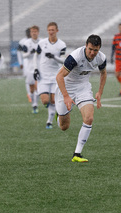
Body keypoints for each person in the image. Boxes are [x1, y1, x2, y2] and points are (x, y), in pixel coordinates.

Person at [55, 34, 107, 162]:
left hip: (83, 88)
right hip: (66, 87)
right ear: (86, 46)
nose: (92, 52)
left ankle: (77, 154)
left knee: (89, 118)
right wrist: (66, 96)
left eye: (95, 50)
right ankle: (59, 114)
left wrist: (99, 92)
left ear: (99, 49)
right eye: (90, 49)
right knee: (64, 126)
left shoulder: (101, 58)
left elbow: (103, 73)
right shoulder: (75, 57)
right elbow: (59, 77)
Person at [34, 22, 66, 129]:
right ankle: (53, 111)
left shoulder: (61, 45)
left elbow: (63, 61)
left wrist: (53, 57)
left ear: (57, 31)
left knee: (53, 100)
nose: (51, 32)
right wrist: (35, 69)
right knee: (45, 101)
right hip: (43, 75)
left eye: (53, 30)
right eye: (49, 30)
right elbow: (36, 56)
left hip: (55, 75)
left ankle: (49, 121)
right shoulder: (42, 43)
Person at [22, 25, 40, 113]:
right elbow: (24, 55)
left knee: (38, 87)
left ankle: (36, 104)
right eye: (32, 32)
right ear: (30, 33)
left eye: (35, 31)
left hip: (39, 67)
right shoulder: (26, 43)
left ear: (38, 32)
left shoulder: (42, 42)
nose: (34, 33)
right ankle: (34, 104)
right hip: (29, 68)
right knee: (31, 88)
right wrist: (30, 53)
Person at [18, 28, 32, 103]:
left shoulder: (37, 41)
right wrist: (20, 62)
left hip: (35, 62)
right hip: (26, 61)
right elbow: (19, 53)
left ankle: (35, 94)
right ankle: (29, 94)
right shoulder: (22, 42)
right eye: (28, 32)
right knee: (27, 78)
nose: (29, 34)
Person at [111, 23, 121, 96]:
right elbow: (113, 47)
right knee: (117, 75)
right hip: (118, 59)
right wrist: (111, 56)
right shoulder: (116, 36)